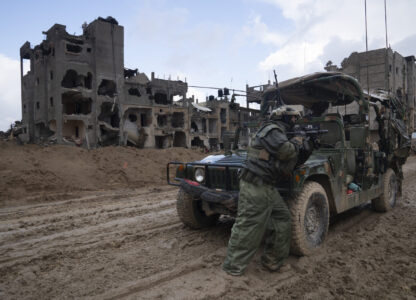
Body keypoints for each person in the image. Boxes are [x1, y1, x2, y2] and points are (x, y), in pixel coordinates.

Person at [222, 106, 308, 276]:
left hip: (266, 186)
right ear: (282, 117)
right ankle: (232, 268)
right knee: (248, 224)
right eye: (292, 118)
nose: (294, 122)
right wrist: (298, 142)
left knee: (282, 218)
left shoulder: (278, 131)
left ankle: (272, 261)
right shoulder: (272, 129)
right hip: (256, 186)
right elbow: (285, 151)